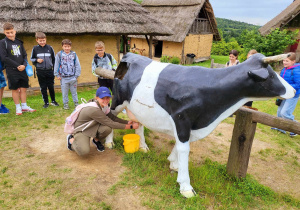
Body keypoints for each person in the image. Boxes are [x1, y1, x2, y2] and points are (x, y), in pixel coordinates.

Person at [67, 86, 139, 155]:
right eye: (102, 98)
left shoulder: (104, 105)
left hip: (93, 125)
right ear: (97, 98)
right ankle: (71, 140)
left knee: (107, 129)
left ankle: (96, 140)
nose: (105, 100)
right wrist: (131, 126)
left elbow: (112, 118)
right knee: (83, 151)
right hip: (82, 129)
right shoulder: (94, 109)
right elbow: (110, 123)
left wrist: (127, 122)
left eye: (107, 98)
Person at [0, 22, 36, 115]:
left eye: (11, 32)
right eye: (7, 33)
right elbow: (4, 58)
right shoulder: (3, 43)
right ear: (4, 32)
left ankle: (24, 106)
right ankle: (18, 108)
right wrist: (17, 66)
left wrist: (24, 65)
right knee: (15, 89)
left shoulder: (19, 42)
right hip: (12, 70)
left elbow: (24, 55)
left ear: (15, 31)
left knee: (23, 88)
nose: (10, 34)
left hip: (22, 68)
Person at [271, 52, 300, 137]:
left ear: (293, 61)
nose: (284, 62)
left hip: (293, 95)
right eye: (283, 60)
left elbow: (298, 84)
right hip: (284, 94)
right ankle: (281, 128)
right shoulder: (285, 69)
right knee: (280, 112)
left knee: (285, 113)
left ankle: (296, 128)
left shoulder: (296, 70)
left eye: (287, 61)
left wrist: (286, 86)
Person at [30, 32, 59, 108]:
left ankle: (53, 101)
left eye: (43, 40)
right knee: (43, 87)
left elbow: (54, 59)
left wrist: (54, 70)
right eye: (40, 41)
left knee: (51, 86)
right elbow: (32, 59)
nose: (42, 42)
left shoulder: (50, 48)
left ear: (45, 39)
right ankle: (46, 102)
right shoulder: (35, 49)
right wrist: (37, 60)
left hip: (49, 70)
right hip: (40, 71)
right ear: (37, 40)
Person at [54, 39, 81, 110]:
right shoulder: (59, 55)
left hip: (73, 77)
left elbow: (77, 65)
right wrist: (57, 75)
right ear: (62, 46)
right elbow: (56, 65)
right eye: (65, 46)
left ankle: (76, 103)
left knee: (74, 91)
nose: (67, 48)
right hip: (63, 78)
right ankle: (65, 104)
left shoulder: (74, 55)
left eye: (68, 46)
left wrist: (76, 75)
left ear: (70, 47)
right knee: (64, 92)